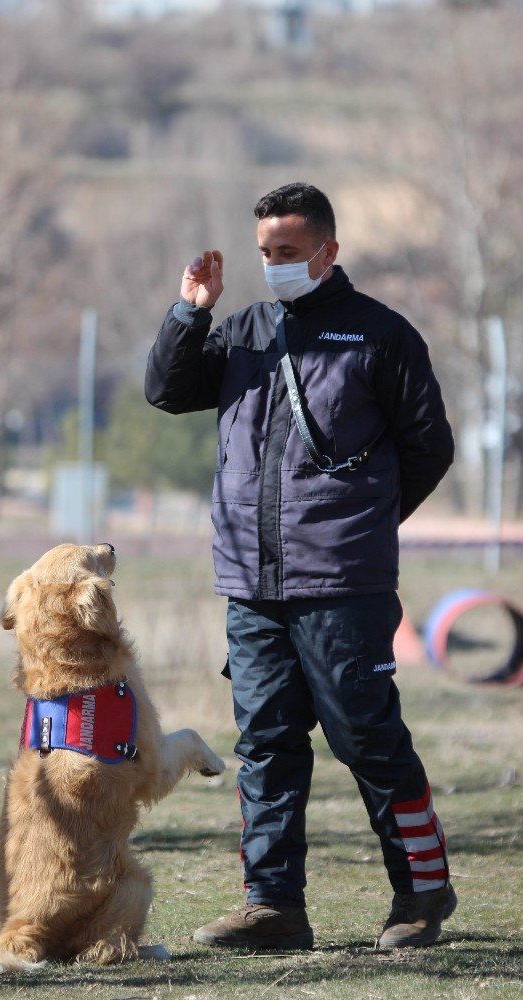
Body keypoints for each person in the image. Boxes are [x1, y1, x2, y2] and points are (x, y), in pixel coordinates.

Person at [144, 182, 456, 951]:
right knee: (266, 744)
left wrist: (364, 524)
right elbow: (167, 391)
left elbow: (429, 448)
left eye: (288, 252)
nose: (274, 265)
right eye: (265, 254)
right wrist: (192, 310)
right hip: (252, 585)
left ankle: (422, 893)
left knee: (367, 737)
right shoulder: (243, 329)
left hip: (343, 583)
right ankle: (273, 906)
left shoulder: (381, 336)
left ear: (328, 251)